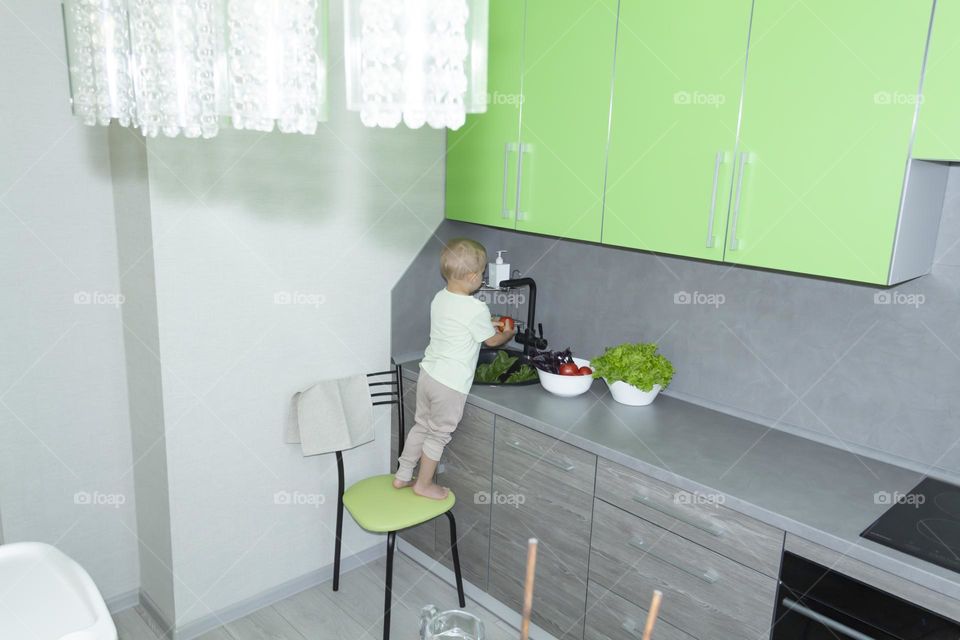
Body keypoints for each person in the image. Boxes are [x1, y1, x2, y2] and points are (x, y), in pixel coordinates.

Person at [394, 238, 516, 499]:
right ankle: (423, 484)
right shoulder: (476, 308)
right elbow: (492, 341)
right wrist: (508, 333)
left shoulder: (439, 298)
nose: (482, 278)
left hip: (429, 374)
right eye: (482, 273)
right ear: (473, 277)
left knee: (421, 426)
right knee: (438, 435)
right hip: (450, 384)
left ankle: (402, 475)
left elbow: (459, 324)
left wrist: (489, 322)